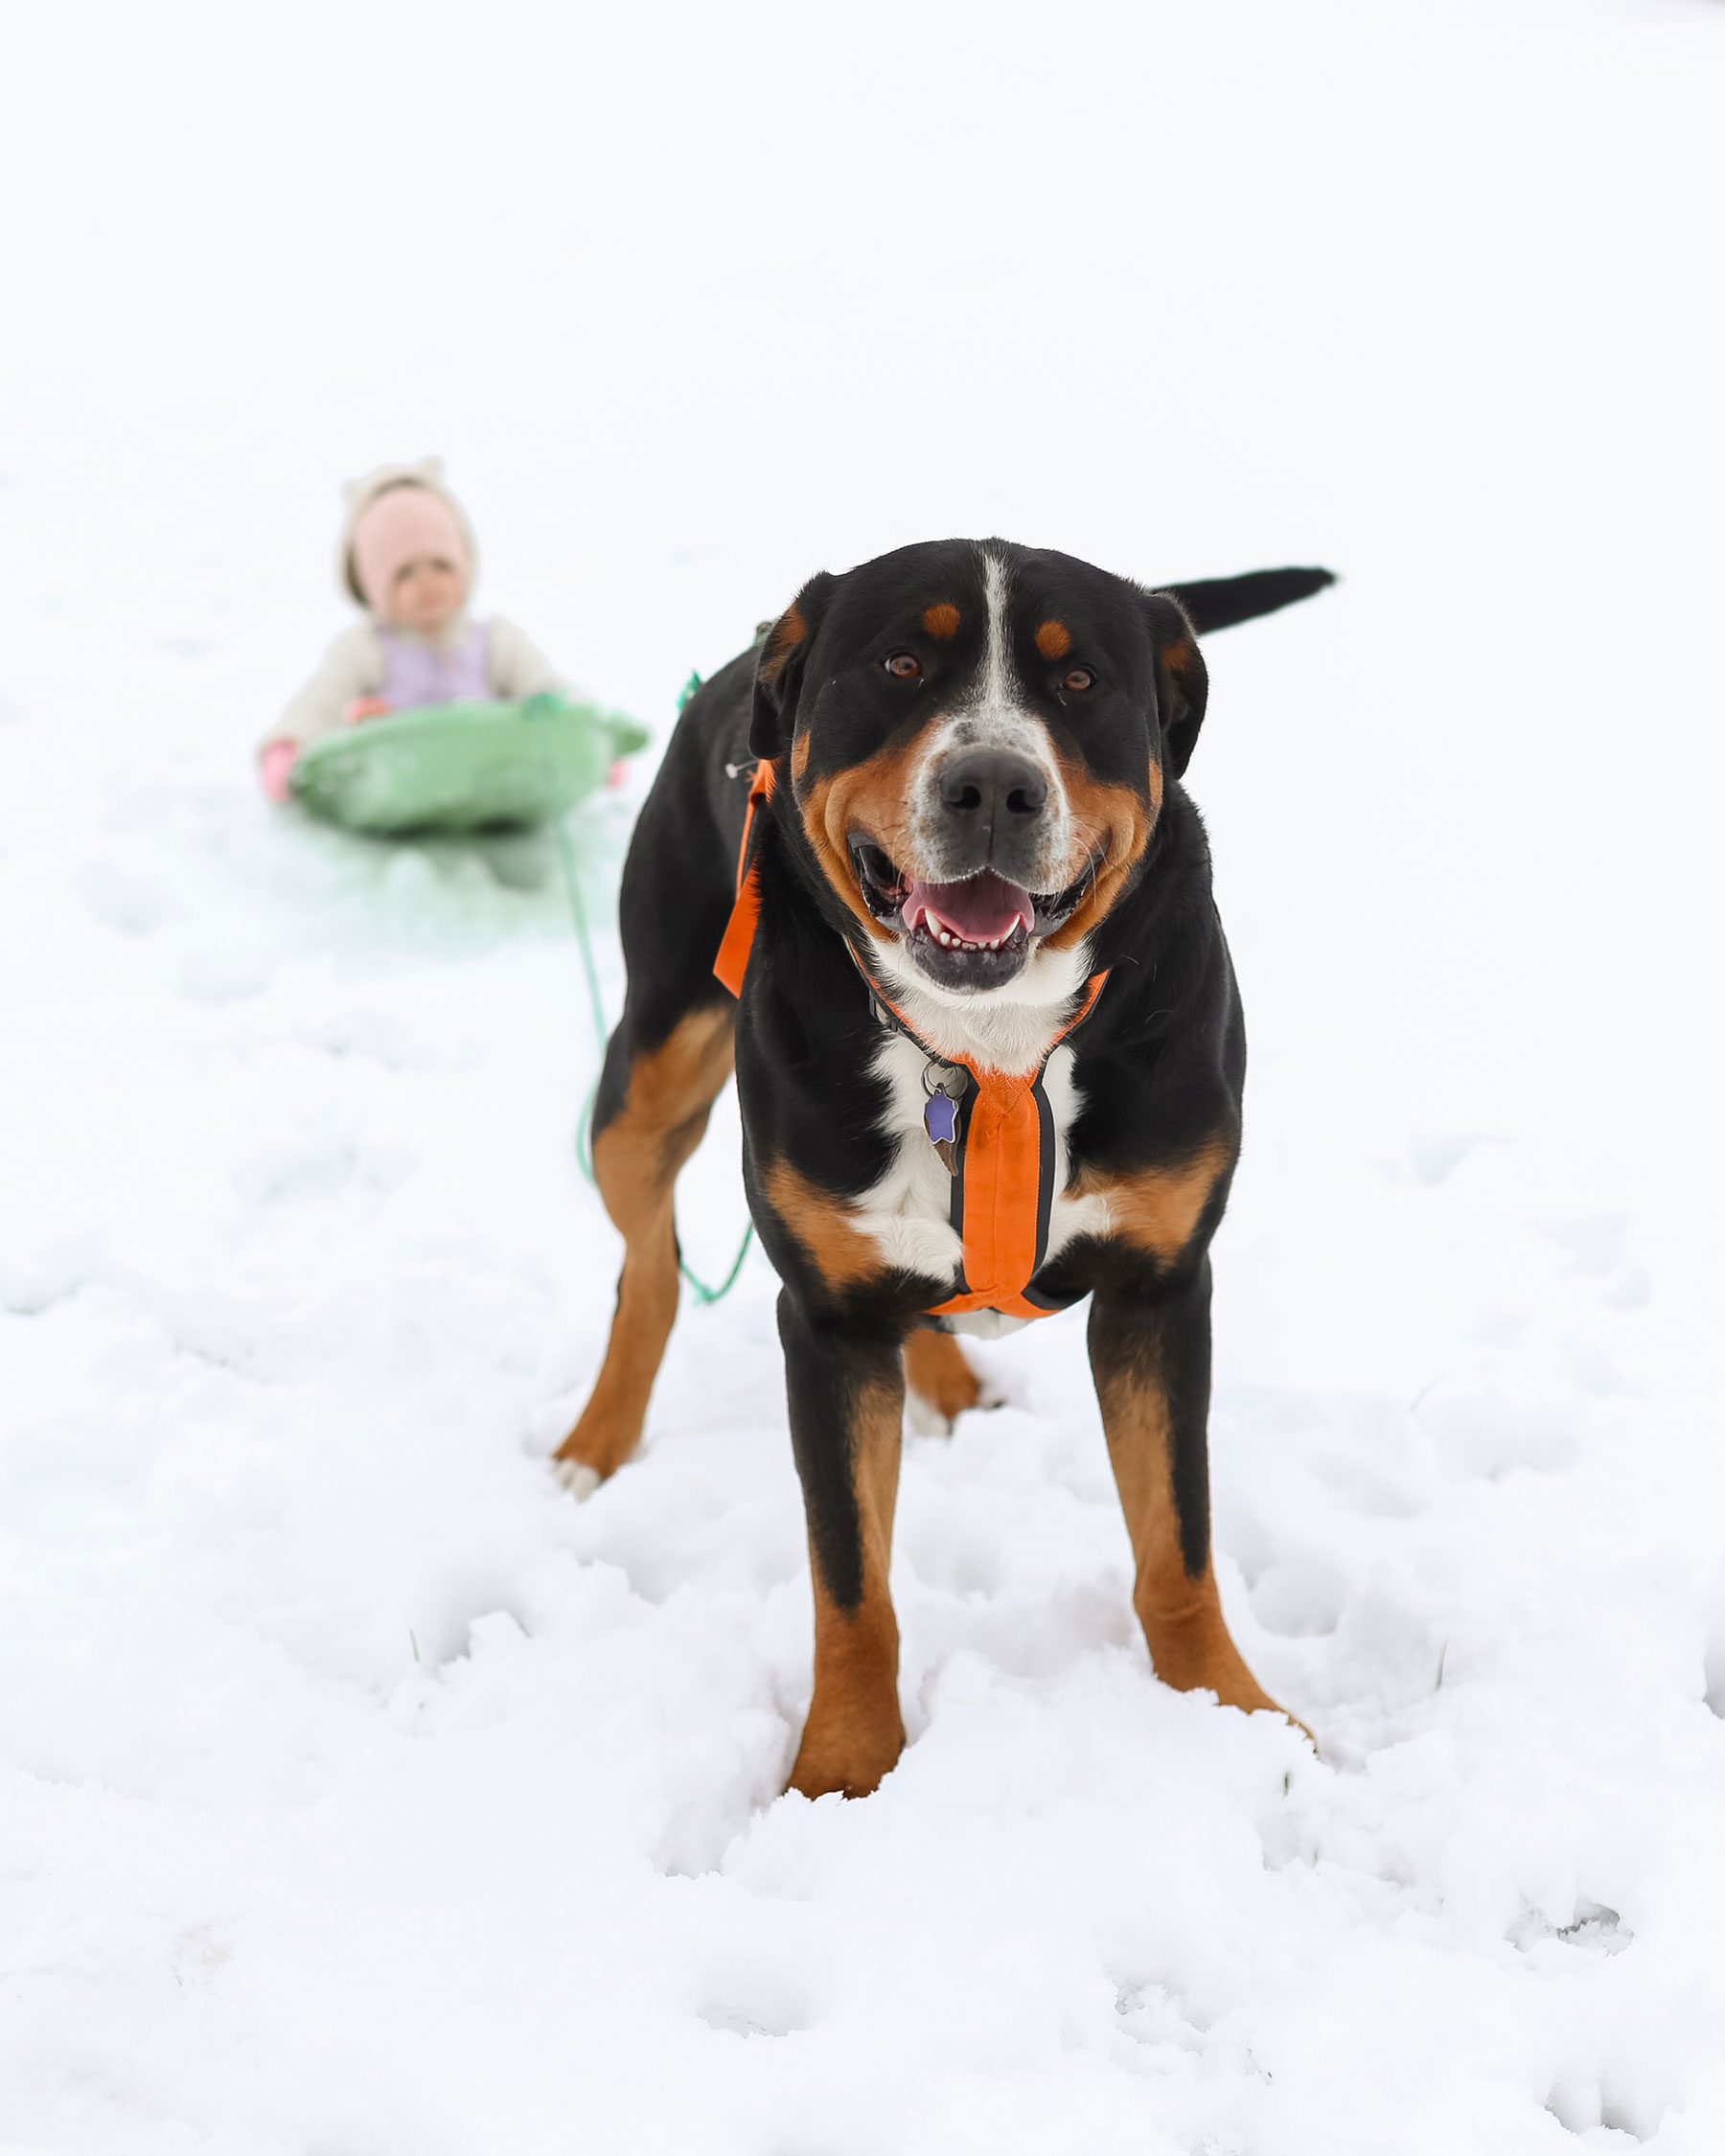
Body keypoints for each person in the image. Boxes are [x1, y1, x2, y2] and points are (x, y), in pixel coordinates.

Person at [258, 459, 564, 801]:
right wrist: (287, 747)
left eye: (440, 565)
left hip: (491, 781)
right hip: (395, 785)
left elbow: (550, 689)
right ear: (372, 585)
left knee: (532, 709)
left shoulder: (495, 640)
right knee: (358, 721)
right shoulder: (364, 648)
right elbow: (318, 702)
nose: (427, 583)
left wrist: (592, 739)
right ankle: (369, 731)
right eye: (405, 573)